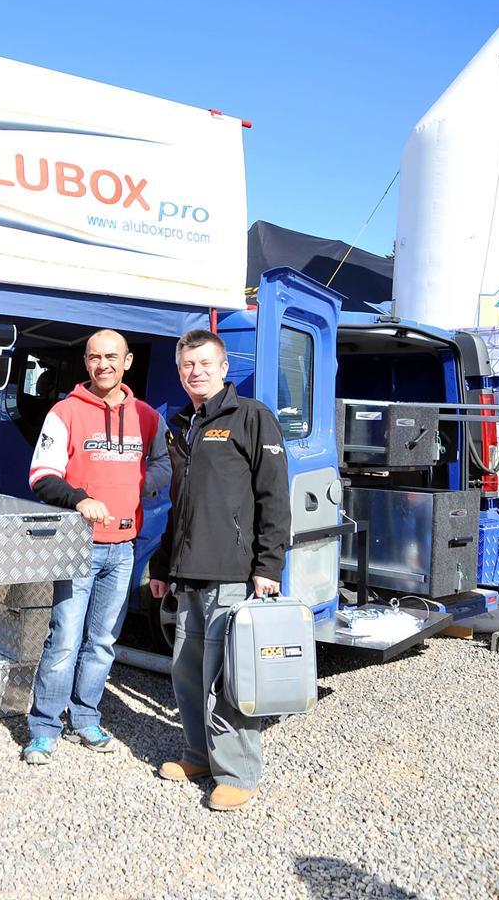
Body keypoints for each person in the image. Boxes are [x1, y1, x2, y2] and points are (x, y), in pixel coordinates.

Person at [152, 329, 289, 810]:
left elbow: (275, 498)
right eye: (188, 365)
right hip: (188, 572)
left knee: (227, 678)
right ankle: (198, 754)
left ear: (224, 367)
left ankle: (237, 773)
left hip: (232, 572)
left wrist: (268, 564)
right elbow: (179, 506)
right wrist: (161, 563)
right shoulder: (182, 424)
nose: (197, 372)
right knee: (187, 672)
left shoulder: (252, 418)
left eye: (206, 364)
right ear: (180, 371)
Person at [21, 329, 170, 764]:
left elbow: (164, 465)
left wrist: (140, 486)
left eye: (111, 357)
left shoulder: (147, 417)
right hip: (77, 546)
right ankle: (44, 727)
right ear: (85, 363)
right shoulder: (65, 412)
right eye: (94, 357)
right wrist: (79, 498)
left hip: (123, 547)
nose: (102, 364)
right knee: (65, 638)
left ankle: (86, 718)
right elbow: (41, 476)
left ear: (127, 362)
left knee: (103, 641)